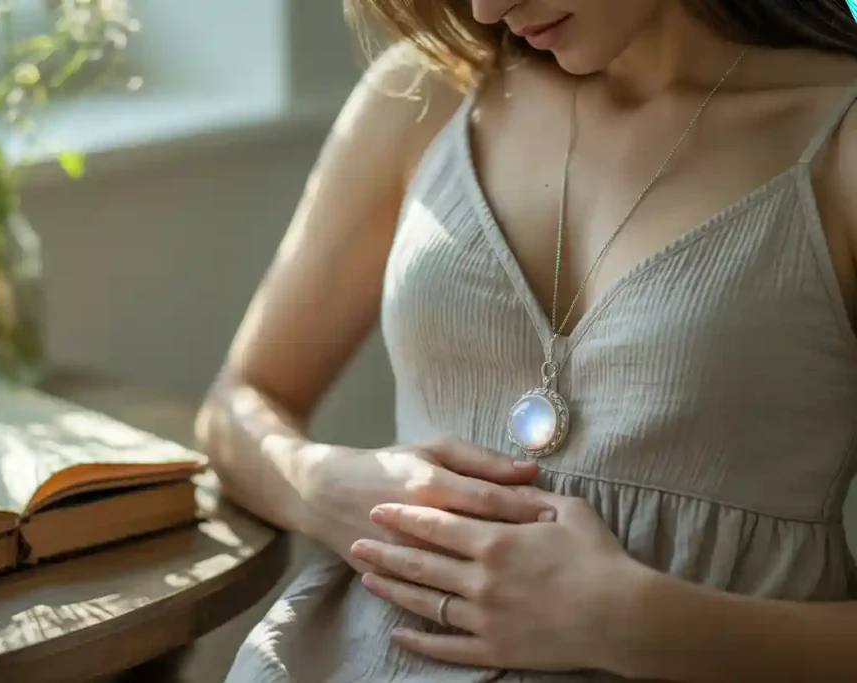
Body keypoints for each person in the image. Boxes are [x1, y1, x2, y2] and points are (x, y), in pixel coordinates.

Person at [195, 0, 857, 680]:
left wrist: (642, 624)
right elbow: (236, 405)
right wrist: (328, 487)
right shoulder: (424, 96)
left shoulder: (840, 136)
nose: (485, 7)